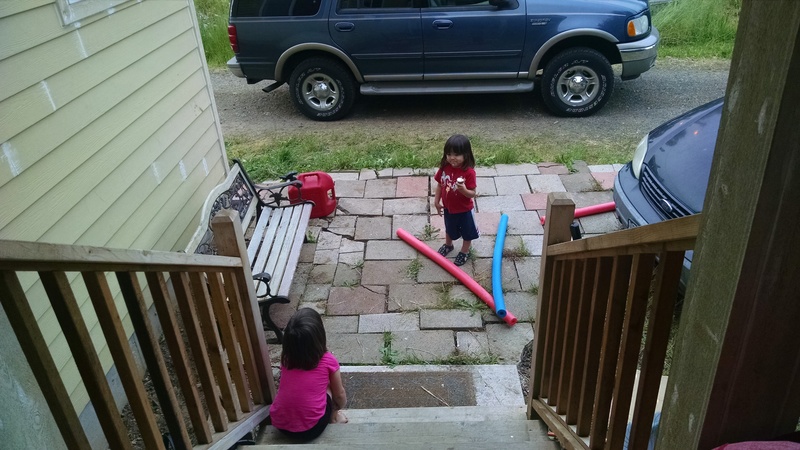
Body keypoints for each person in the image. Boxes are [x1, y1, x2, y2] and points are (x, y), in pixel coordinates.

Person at [269, 308, 347, 441]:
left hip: (280, 425)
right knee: (328, 386)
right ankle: (335, 418)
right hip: (312, 429)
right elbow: (339, 394)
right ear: (320, 337)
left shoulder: (286, 359)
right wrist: (340, 406)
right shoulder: (328, 360)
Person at [433, 134, 479, 266]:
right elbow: (440, 185)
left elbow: (472, 194)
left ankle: (464, 252)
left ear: (466, 155)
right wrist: (436, 201)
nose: (452, 158)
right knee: (449, 229)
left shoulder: (469, 173)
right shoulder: (444, 168)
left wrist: (463, 190)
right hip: (449, 208)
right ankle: (448, 245)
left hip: (464, 211)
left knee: (468, 233)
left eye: (457, 154)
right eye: (449, 154)